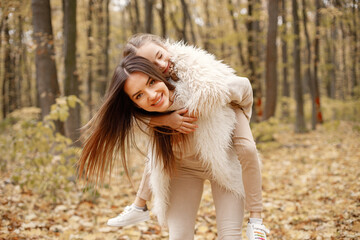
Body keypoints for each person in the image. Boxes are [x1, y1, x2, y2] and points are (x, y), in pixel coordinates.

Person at [105, 34, 269, 240]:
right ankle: (139, 205)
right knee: (179, 236)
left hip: (223, 162)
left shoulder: (199, 75)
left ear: (165, 47)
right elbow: (128, 119)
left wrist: (203, 105)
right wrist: (165, 120)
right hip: (183, 168)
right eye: (152, 65)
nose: (162, 65)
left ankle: (256, 220)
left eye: (160, 56)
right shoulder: (147, 100)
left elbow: (243, 88)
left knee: (230, 234)